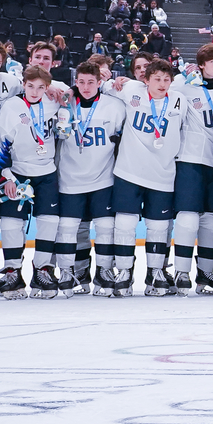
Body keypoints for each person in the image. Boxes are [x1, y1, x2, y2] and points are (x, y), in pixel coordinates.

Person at [110, 58, 192, 296]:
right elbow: (105, 87)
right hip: (130, 170)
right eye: (157, 79)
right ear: (145, 79)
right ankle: (124, 272)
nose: (162, 84)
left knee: (159, 227)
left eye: (167, 79)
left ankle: (155, 273)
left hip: (163, 173)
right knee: (124, 223)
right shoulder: (131, 90)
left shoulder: (178, 100)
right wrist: (115, 80)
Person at [0, 65, 61, 300]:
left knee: (49, 222)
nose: (36, 91)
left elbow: (77, 91)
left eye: (41, 87)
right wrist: (4, 175)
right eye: (31, 86)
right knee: (10, 224)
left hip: (47, 172)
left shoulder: (53, 100)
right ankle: (12, 272)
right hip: (17, 172)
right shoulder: (12, 106)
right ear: (23, 84)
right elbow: (0, 144)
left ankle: (42, 271)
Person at [56, 59, 128, 296]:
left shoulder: (114, 106)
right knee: (69, 228)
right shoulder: (65, 104)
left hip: (103, 177)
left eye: (91, 82)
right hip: (69, 177)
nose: (86, 87)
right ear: (75, 83)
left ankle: (104, 272)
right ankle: (68, 271)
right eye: (81, 82)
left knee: (106, 226)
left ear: (99, 82)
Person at [172, 45, 213, 293]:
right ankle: (180, 271)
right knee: (188, 216)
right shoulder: (184, 82)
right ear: (201, 64)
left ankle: (205, 273)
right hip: (191, 156)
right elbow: (155, 88)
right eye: (212, 61)